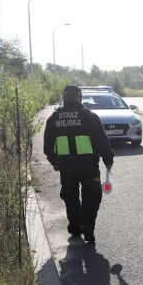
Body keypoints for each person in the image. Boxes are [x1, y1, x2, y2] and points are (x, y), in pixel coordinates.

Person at [43, 85, 115, 243]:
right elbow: (101, 140)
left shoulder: (54, 118)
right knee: (92, 195)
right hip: (88, 165)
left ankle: (75, 227)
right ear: (80, 98)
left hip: (66, 166)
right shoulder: (89, 116)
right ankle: (87, 225)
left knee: (70, 196)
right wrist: (108, 160)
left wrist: (54, 161)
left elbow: (48, 145)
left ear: (64, 98)